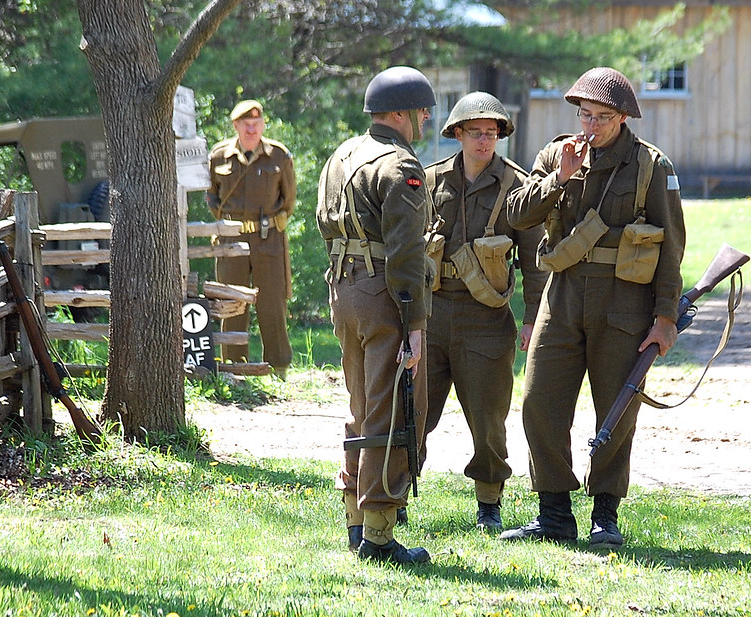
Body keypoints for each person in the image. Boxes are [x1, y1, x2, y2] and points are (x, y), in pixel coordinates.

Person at [498, 67, 685, 549]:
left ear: (622, 117)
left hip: (623, 302)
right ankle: (554, 512)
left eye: (602, 116)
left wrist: (665, 318)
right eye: (584, 114)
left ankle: (606, 513)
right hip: (561, 297)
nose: (591, 125)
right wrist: (558, 178)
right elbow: (518, 214)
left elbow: (670, 247)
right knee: (540, 402)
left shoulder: (650, 166)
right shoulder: (556, 155)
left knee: (616, 410)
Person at [315, 66, 435, 565]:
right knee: (394, 409)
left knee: (361, 406)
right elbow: (406, 254)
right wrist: (415, 325)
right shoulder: (399, 165)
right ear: (403, 113)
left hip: (344, 292)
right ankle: (381, 534)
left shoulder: (342, 155)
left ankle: (355, 518)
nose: (426, 118)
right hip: (384, 294)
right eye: (423, 110)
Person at [421, 92, 547, 531]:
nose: (484, 141)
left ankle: (489, 503)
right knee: (413, 410)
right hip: (432, 313)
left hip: (487, 320)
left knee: (489, 419)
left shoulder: (516, 186)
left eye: (491, 133)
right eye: (475, 132)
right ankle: (393, 493)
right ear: (457, 134)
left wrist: (533, 318)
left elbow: (535, 258)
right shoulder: (428, 180)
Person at [207, 100, 296, 379]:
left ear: (263, 125)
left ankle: (279, 368)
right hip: (231, 240)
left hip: (268, 238)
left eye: (256, 123)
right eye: (245, 124)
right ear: (235, 126)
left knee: (272, 303)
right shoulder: (219, 156)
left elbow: (288, 200)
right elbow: (211, 196)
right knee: (232, 303)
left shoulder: (278, 156)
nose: (251, 128)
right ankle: (234, 370)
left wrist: (269, 224)